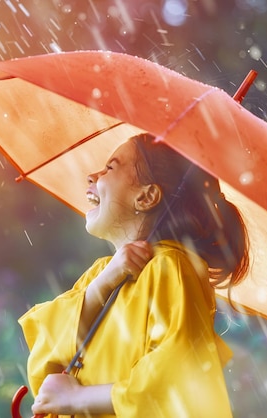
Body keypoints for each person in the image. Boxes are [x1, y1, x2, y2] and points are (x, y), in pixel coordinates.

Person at [18, 133, 250, 417]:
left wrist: (78, 398)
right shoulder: (101, 273)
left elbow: (176, 377)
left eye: (110, 168)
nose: (92, 176)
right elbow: (47, 354)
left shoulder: (171, 268)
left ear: (147, 196)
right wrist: (103, 284)